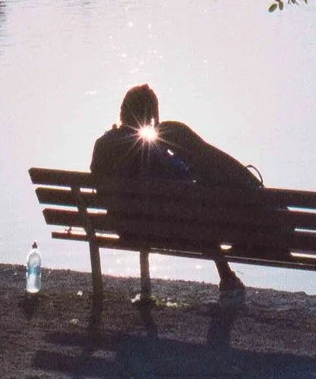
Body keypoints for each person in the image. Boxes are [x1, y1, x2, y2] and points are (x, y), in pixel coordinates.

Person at [89, 83, 288, 301]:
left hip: (125, 227)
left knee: (194, 215)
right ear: (150, 116)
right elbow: (182, 180)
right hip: (163, 228)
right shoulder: (147, 149)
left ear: (123, 111)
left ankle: (227, 276)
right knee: (201, 216)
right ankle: (228, 276)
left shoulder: (102, 145)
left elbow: (101, 184)